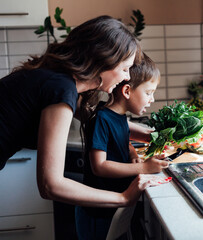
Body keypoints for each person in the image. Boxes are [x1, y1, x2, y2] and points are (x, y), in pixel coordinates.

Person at [0, 16, 161, 211]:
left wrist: (150, 136)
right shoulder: (61, 88)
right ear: (104, 60)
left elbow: (93, 116)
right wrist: (123, 198)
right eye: (125, 68)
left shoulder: (61, 80)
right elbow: (51, 185)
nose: (127, 77)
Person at [76, 53, 169, 240]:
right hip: (96, 212)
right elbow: (99, 166)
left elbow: (122, 137)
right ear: (127, 91)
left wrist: (132, 152)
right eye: (149, 92)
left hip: (112, 205)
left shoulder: (118, 117)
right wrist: (143, 167)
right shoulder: (101, 119)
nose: (151, 99)